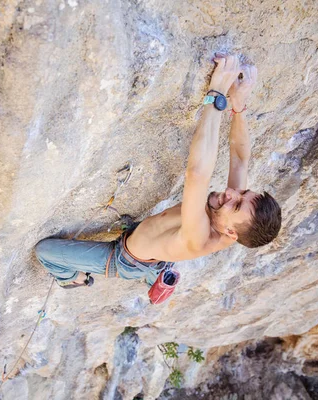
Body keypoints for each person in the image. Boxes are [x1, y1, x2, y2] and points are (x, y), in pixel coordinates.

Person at [35, 54, 281, 294]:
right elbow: (239, 158)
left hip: (125, 259)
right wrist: (238, 105)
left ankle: (73, 279)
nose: (231, 192)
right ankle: (160, 266)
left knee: (45, 251)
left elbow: (197, 174)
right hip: (156, 247)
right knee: (167, 242)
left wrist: (216, 94)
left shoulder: (200, 237)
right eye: (243, 192)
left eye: (236, 205)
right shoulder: (233, 215)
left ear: (231, 233)